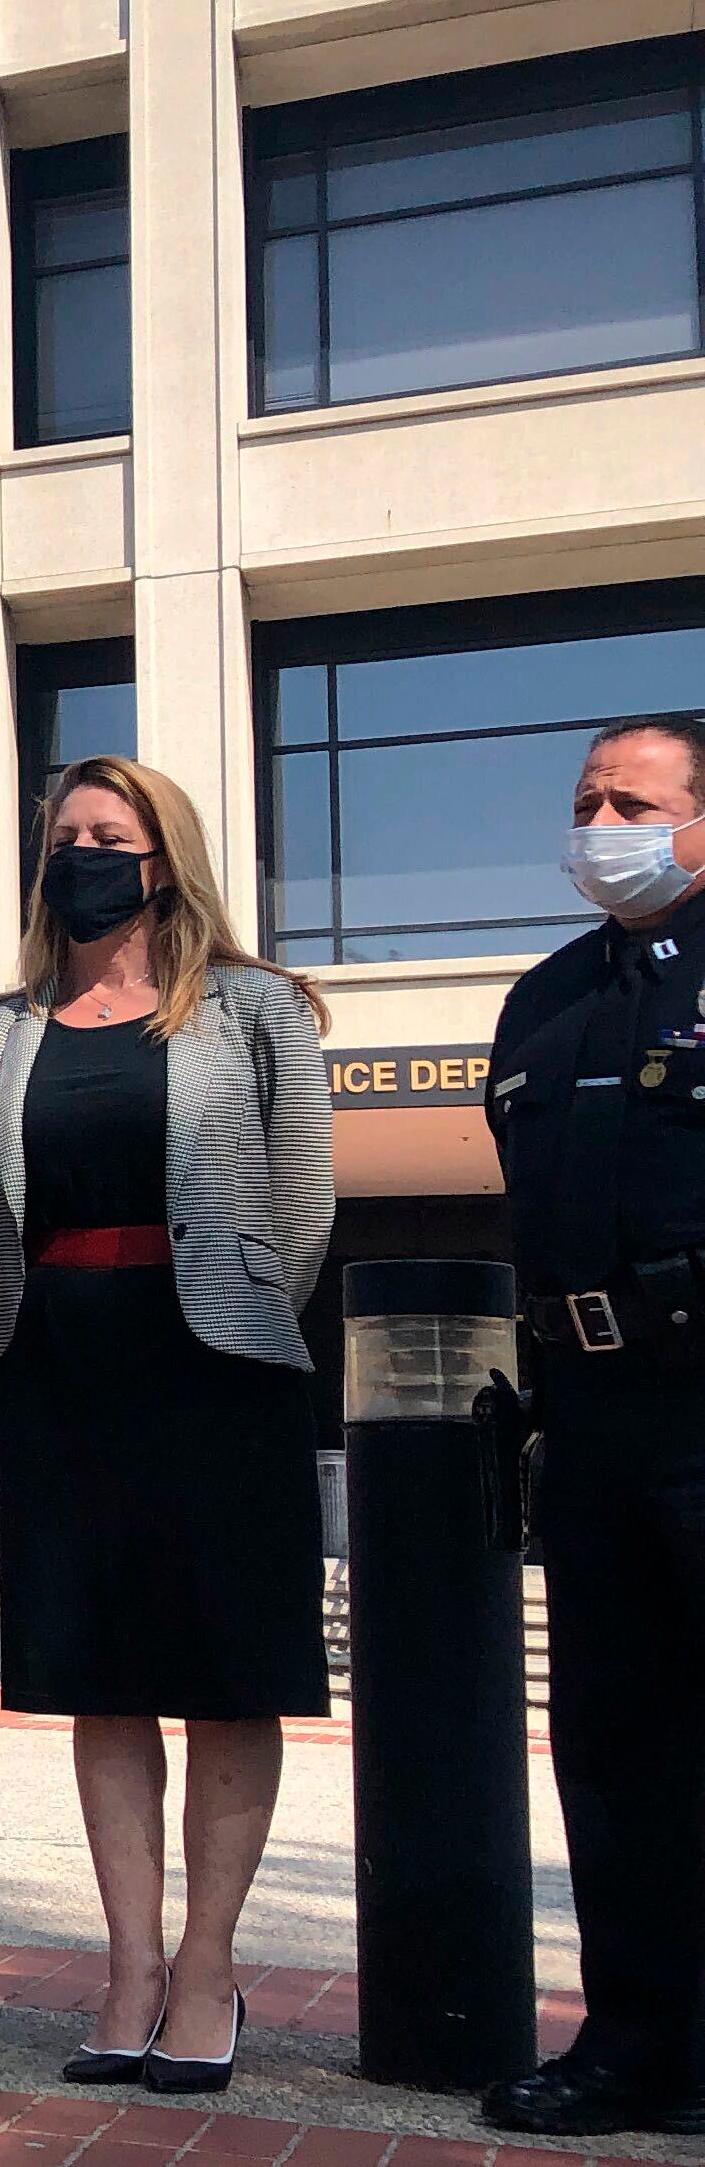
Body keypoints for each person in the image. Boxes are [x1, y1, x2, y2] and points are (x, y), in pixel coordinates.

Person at [0, 755, 331, 2097]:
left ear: (161, 857)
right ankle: (124, 1969)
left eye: (107, 835)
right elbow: (10, 1214)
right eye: (62, 836)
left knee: (228, 1676)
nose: (81, 855)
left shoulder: (255, 1008)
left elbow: (299, 1207)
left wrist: (226, 1316)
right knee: (99, 1675)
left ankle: (205, 1970)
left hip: (217, 1370)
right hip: (62, 1365)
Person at [478, 714, 705, 2141]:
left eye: (631, 797)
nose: (601, 817)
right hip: (594, 1411)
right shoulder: (543, 1000)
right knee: (611, 1747)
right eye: (584, 797)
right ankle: (633, 2044)